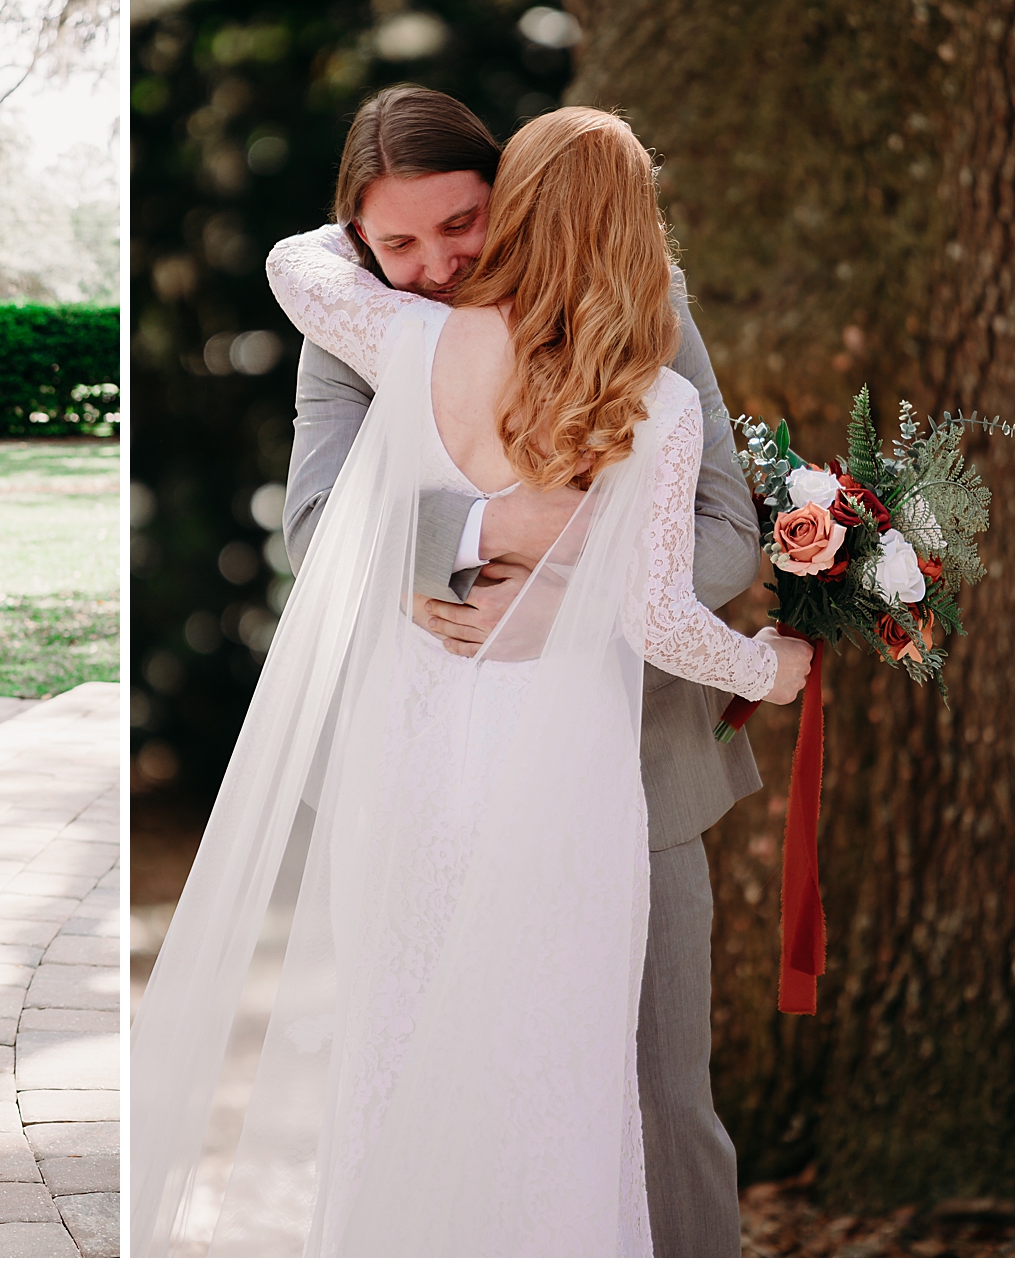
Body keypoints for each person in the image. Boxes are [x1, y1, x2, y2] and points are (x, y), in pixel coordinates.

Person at [130, 107, 813, 1256]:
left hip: (632, 766)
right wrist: (500, 521)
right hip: (432, 760)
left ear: (516, 193)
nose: (436, 263)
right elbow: (314, 525)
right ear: (358, 242)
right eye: (396, 245)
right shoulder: (365, 331)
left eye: (460, 223)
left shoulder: (644, 307)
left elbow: (726, 531)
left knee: (654, 1098)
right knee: (432, 1067)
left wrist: (562, 603)